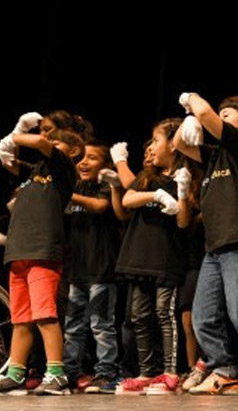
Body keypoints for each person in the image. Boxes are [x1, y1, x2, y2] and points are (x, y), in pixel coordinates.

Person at [174, 93, 238, 395]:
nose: (219, 118)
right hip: (215, 247)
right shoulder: (213, 155)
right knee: (203, 315)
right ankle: (224, 369)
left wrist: (192, 99)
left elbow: (207, 114)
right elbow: (179, 144)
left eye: (227, 114)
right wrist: (188, 119)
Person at [0, 113, 83, 395]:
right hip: (19, 252)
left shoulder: (63, 170)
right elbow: (9, 160)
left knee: (45, 315)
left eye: (56, 142)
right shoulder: (33, 174)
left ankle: (56, 374)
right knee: (20, 318)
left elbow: (38, 142)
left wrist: (15, 133)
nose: (49, 143)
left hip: (42, 252)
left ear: (73, 151)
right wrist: (11, 144)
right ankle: (16, 372)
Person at [114, 119, 190, 395]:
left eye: (156, 140)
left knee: (164, 314)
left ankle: (170, 371)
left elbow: (183, 222)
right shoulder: (148, 177)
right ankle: (146, 372)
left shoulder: (185, 174)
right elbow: (127, 200)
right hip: (138, 256)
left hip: (166, 256)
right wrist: (156, 195)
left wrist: (182, 194)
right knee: (138, 316)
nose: (152, 147)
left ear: (174, 144)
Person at [62, 141, 123, 393]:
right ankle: (69, 372)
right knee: (73, 326)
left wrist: (65, 193)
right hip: (77, 270)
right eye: (82, 158)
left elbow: (100, 207)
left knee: (101, 325)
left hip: (101, 269)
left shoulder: (106, 187)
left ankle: (106, 372)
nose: (84, 162)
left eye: (93, 158)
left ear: (105, 164)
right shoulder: (76, 186)